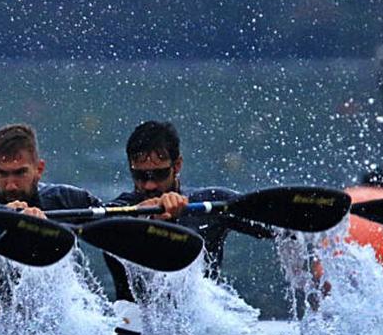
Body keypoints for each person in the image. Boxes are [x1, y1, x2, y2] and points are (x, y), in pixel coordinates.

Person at [0, 123, 185, 312]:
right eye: (2, 173)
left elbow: (114, 225)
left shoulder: (67, 199)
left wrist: (143, 210)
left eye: (20, 172)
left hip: (57, 324)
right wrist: (9, 219)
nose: (11, 184)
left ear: (39, 169)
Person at [104, 121, 272, 302]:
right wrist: (144, 216)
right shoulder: (118, 211)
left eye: (158, 174)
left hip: (202, 324)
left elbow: (276, 225)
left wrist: (302, 245)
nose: (149, 184)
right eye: (140, 176)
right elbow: (97, 222)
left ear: (177, 166)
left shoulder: (211, 203)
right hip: (134, 324)